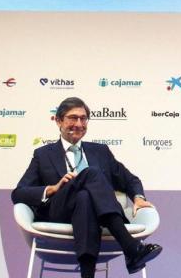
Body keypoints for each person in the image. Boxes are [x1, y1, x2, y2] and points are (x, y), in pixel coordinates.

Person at [12, 97, 162, 277]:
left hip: (92, 215)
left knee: (84, 197)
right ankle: (130, 247)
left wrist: (138, 198)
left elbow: (130, 179)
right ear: (58, 121)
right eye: (73, 118)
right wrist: (53, 188)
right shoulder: (43, 155)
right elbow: (18, 193)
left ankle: (88, 274)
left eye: (83, 119)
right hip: (58, 213)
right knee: (91, 173)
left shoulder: (100, 152)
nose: (79, 123)